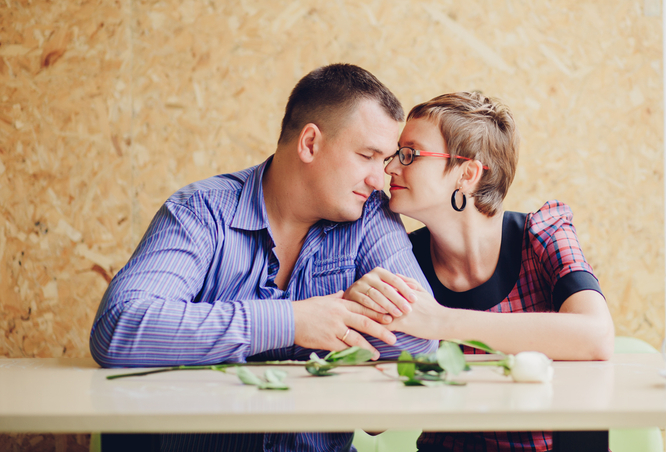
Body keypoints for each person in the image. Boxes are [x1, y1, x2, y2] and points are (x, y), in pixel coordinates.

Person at [89, 64, 438, 452]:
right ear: (310, 143)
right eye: (367, 156)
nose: (378, 179)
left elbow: (421, 340)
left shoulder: (369, 214)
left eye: (384, 159)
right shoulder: (201, 212)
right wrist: (292, 322)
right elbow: (120, 325)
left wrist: (338, 326)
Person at [344, 91, 615, 452]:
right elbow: (375, 424)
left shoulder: (544, 234)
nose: (389, 168)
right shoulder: (403, 260)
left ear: (468, 173)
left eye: (409, 154)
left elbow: (596, 336)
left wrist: (438, 321)